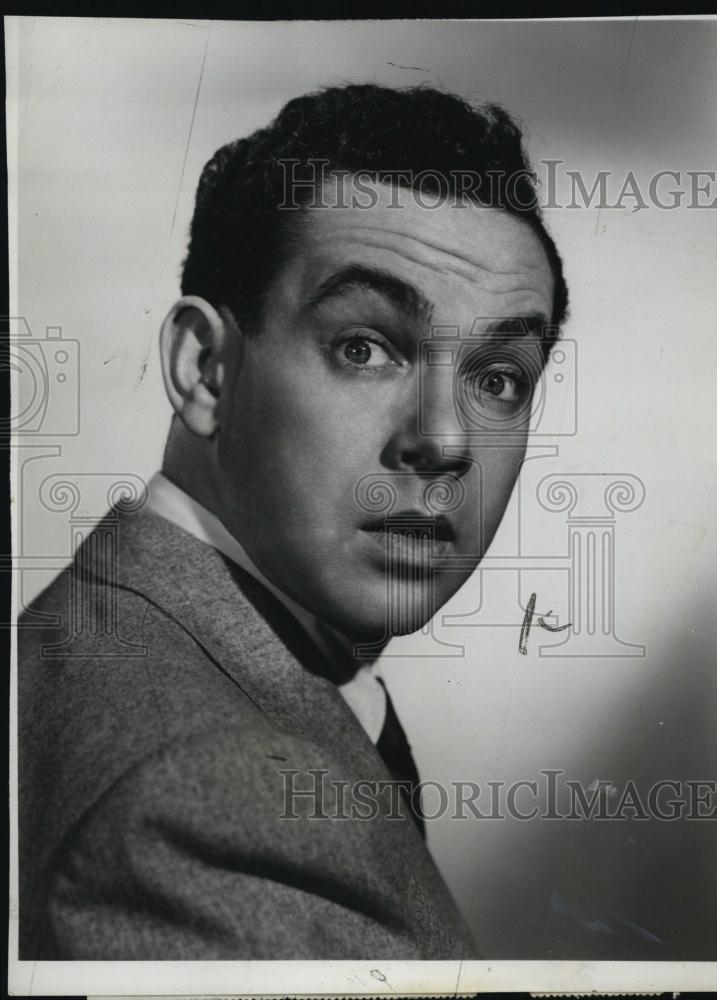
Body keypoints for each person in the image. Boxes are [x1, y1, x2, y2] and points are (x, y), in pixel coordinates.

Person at [17, 83, 568, 959]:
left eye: (500, 376)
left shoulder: (109, 640)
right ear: (206, 371)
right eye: (365, 347)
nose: (447, 440)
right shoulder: (206, 803)